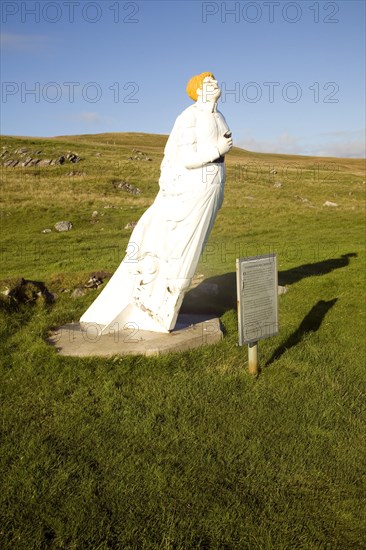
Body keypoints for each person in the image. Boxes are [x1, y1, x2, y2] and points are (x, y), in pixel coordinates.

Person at [80, 72, 233, 334]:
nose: (215, 84)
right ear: (198, 90)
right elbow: (186, 158)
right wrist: (217, 149)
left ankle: (165, 304)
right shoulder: (190, 116)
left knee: (194, 247)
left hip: (214, 183)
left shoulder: (218, 115)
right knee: (182, 246)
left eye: (215, 81)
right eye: (208, 82)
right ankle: (157, 304)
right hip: (195, 186)